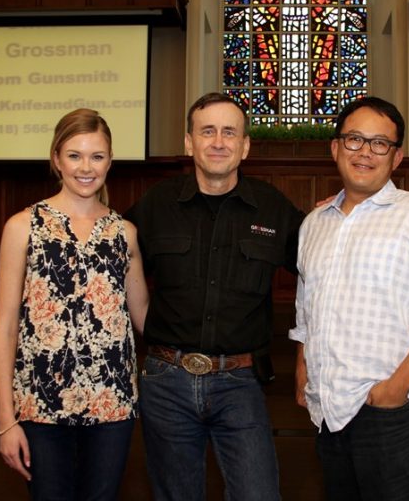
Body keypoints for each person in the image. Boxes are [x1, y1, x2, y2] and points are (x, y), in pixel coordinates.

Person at [125, 92, 304, 501]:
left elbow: (321, 266)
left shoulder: (273, 209)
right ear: (189, 142)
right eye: (207, 132)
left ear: (245, 146)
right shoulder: (156, 205)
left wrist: (340, 212)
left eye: (229, 132)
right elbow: (114, 266)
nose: (218, 142)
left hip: (239, 383)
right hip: (166, 381)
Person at [290, 96, 409, 500]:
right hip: (328, 411)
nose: (365, 152)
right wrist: (303, 370)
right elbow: (306, 311)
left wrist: (394, 390)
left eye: (379, 143)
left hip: (392, 412)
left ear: (396, 156)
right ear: (335, 148)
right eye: (354, 139)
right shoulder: (314, 224)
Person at [0, 108, 149, 500]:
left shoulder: (125, 233)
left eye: (97, 156)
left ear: (110, 161)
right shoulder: (22, 227)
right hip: (41, 405)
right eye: (75, 155)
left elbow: (143, 316)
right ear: (56, 159)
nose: (86, 167)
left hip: (112, 405)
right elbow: (5, 327)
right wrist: (6, 421)